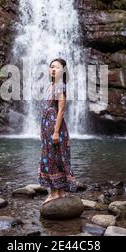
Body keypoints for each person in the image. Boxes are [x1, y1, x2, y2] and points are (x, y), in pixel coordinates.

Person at [38, 58, 77, 205]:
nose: (53, 69)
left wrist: (55, 132)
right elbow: (48, 109)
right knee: (54, 156)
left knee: (53, 157)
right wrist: (42, 128)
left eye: (57, 67)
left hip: (56, 126)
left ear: (63, 70)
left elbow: (60, 110)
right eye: (51, 67)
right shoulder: (52, 85)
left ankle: (54, 193)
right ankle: (60, 192)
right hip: (48, 125)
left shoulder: (60, 87)